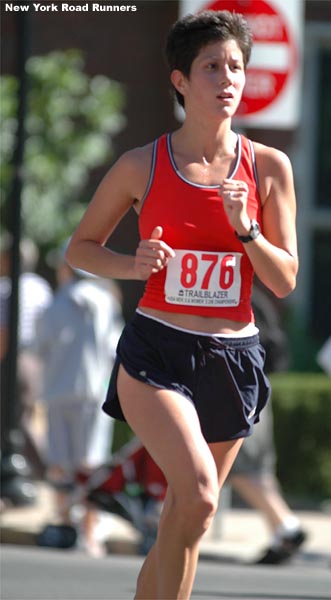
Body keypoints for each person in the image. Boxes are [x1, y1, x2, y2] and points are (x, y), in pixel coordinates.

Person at [66, 10, 298, 599]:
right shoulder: (142, 164)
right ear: (180, 81)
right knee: (196, 492)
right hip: (157, 351)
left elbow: (285, 279)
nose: (228, 79)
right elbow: (81, 248)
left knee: (186, 518)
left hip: (233, 357)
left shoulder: (269, 168)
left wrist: (247, 230)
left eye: (237, 67)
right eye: (212, 66)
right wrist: (133, 264)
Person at [34, 252, 123, 556]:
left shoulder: (56, 302)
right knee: (92, 464)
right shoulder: (105, 301)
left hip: (58, 390)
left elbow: (39, 345)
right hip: (93, 394)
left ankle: (63, 525)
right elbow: (115, 349)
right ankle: (90, 533)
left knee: (60, 463)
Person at [0, 234, 53, 480]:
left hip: (14, 360)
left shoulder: (7, 288)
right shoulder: (41, 287)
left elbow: (4, 332)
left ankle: (43, 471)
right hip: (38, 360)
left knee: (14, 419)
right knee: (29, 416)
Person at [229, 402, 307, 565]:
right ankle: (282, 529)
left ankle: (286, 527)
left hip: (239, 396)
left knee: (239, 469)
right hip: (253, 394)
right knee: (257, 471)